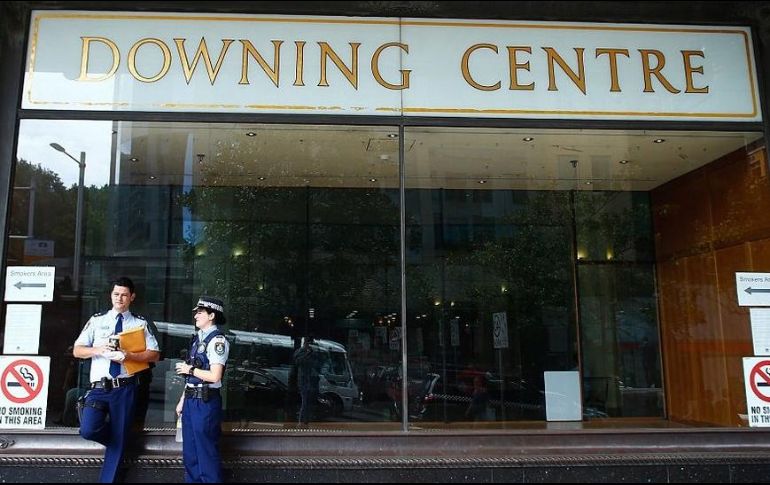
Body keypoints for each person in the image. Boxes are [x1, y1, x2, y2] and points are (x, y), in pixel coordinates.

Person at [73, 277, 160, 483]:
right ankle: (120, 440)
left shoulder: (139, 323)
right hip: (99, 388)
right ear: (111, 295)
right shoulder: (97, 320)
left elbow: (154, 354)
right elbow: (77, 350)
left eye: (124, 295)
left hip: (125, 388)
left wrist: (129, 356)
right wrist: (99, 350)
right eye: (116, 294)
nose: (119, 298)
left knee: (118, 443)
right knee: (89, 429)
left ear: (132, 297)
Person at [175, 296, 230, 483]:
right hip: (192, 400)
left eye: (200, 312)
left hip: (205, 402)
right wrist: (183, 399)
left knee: (205, 453)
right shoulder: (197, 339)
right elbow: (191, 377)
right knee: (190, 454)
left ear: (212, 315)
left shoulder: (217, 341)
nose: (196, 316)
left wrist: (189, 369)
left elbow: (215, 375)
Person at [293, 336, 321, 426]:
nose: (308, 344)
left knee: (308, 402)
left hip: (310, 380)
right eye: (307, 343)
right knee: (304, 401)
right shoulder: (300, 352)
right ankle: (301, 421)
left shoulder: (312, 353)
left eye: (309, 343)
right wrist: (307, 354)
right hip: (302, 380)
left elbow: (316, 363)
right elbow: (297, 362)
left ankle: (305, 421)